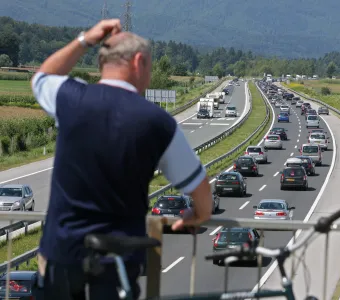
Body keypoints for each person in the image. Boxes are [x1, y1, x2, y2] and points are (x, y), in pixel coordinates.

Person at [31, 19, 213, 300]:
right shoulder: (157, 122)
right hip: (116, 263)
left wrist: (85, 40)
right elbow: (200, 189)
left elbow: (42, 77)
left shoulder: (70, 99)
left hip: (61, 256)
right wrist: (198, 215)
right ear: (138, 61)